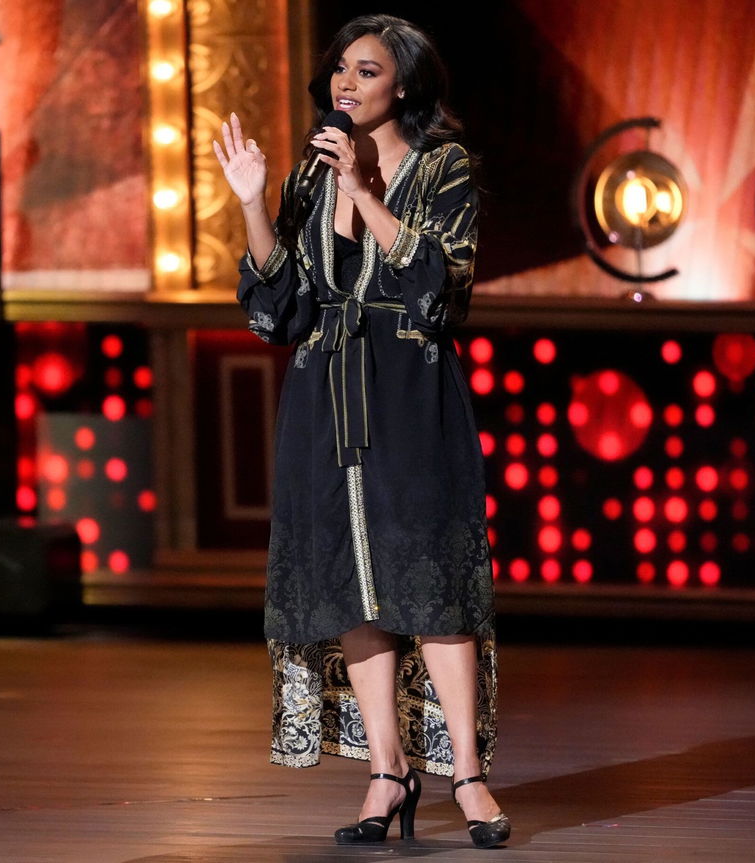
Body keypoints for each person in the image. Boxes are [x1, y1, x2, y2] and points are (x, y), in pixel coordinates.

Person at [212, 14, 508, 849]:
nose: (346, 84)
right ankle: (387, 770)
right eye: (340, 70)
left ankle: (470, 775)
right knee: (352, 582)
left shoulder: (442, 168)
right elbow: (281, 310)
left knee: (430, 581)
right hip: (324, 396)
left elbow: (438, 291)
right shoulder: (312, 172)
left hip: (409, 393)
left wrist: (366, 195)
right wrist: (250, 205)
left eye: (366, 71)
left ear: (402, 84)